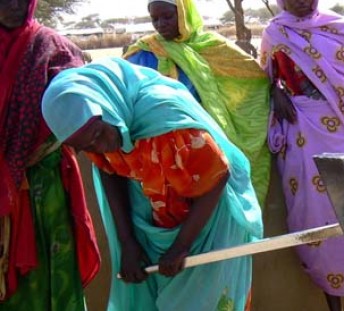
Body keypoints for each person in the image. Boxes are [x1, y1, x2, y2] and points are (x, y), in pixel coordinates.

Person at [41, 57, 264, 311]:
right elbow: (108, 170)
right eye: (87, 147)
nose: (99, 148)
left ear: (106, 106)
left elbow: (217, 176)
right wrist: (127, 243)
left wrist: (182, 245)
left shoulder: (166, 116)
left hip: (207, 220)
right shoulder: (94, 127)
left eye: (99, 136)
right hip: (153, 224)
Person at [260, 0, 344, 310]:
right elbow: (262, 78)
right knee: (313, 218)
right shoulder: (275, 32)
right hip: (301, 135)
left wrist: (338, 90)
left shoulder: (338, 28)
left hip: (341, 131)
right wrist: (275, 91)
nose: (303, 1)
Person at [0, 0, 100, 309]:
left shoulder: (52, 47)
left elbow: (83, 103)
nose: (14, 5)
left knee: (50, 269)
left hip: (44, 183)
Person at [124, 0, 271, 206]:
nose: (160, 24)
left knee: (218, 201)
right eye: (155, 19)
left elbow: (254, 78)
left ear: (185, 14)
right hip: (162, 146)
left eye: (168, 17)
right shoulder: (143, 53)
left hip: (208, 139)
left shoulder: (212, 46)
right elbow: (125, 92)